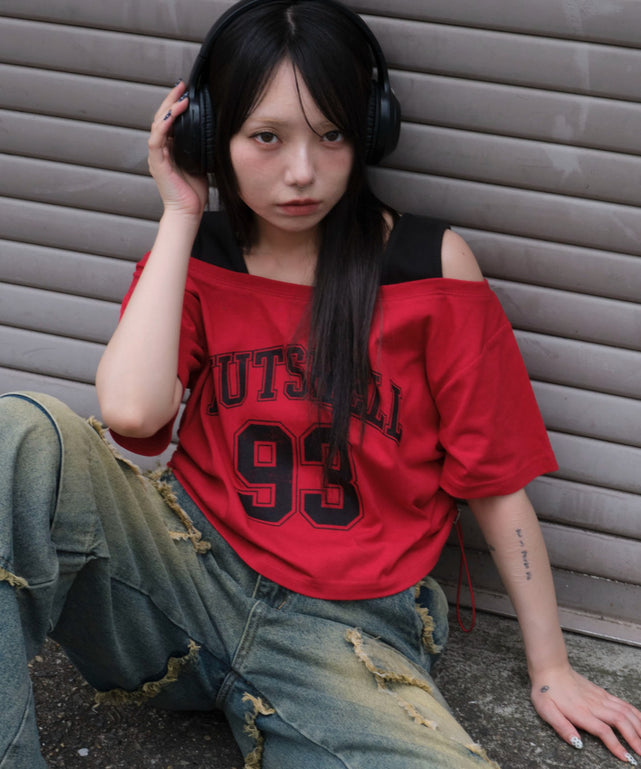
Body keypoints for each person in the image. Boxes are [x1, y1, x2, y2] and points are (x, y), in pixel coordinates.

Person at [1, 0, 640, 767]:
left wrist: (551, 666)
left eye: (330, 134)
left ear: (368, 132)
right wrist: (179, 210)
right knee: (18, 429)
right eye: (265, 137)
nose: (301, 172)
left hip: (347, 632)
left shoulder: (427, 267)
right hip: (182, 581)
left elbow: (495, 482)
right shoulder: (198, 257)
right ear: (209, 137)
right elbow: (133, 415)